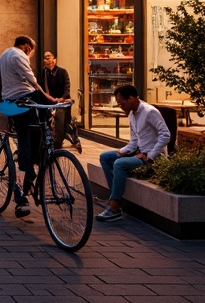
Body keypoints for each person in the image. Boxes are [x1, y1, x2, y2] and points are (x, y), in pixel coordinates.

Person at [0, 35, 58, 217]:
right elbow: (31, 79)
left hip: (11, 100)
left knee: (29, 137)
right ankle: (24, 182)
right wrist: (48, 97)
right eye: (31, 50)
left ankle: (32, 163)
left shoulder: (4, 55)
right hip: (23, 99)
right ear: (26, 46)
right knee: (27, 141)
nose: (30, 54)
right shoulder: (18, 54)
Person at [97, 84, 171, 222]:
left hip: (153, 158)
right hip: (138, 153)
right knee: (105, 157)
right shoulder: (132, 114)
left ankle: (114, 208)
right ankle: (115, 199)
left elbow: (165, 135)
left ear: (131, 98)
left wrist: (150, 155)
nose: (120, 106)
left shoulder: (150, 112)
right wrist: (123, 151)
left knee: (119, 164)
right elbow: (134, 141)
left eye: (121, 103)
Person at [42, 51, 82, 153]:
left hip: (62, 102)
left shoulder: (62, 72)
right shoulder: (43, 73)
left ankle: (59, 143)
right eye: (45, 58)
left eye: (49, 57)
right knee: (49, 123)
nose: (47, 60)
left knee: (61, 122)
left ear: (54, 59)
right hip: (48, 102)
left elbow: (67, 87)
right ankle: (52, 142)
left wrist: (62, 98)